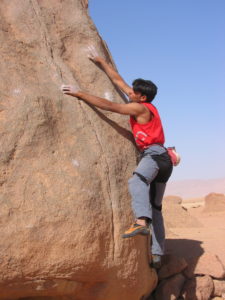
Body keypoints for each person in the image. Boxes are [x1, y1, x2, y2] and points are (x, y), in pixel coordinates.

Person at [61, 46, 173, 268]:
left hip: (154, 155)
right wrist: (101, 62)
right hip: (165, 160)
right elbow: (120, 82)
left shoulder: (140, 109)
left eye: (133, 92)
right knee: (157, 208)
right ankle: (158, 254)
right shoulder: (145, 103)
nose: (128, 91)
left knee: (137, 180)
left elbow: (111, 106)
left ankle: (141, 221)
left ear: (141, 97)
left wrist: (80, 93)